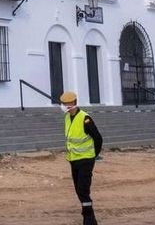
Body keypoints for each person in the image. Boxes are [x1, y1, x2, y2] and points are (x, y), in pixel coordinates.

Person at [61, 91, 103, 225]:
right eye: (63, 103)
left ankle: (89, 219)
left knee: (83, 190)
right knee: (78, 189)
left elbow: (98, 138)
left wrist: (93, 155)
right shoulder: (67, 117)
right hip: (73, 159)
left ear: (73, 103)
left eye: (67, 103)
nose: (64, 106)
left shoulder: (85, 118)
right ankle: (88, 215)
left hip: (86, 160)